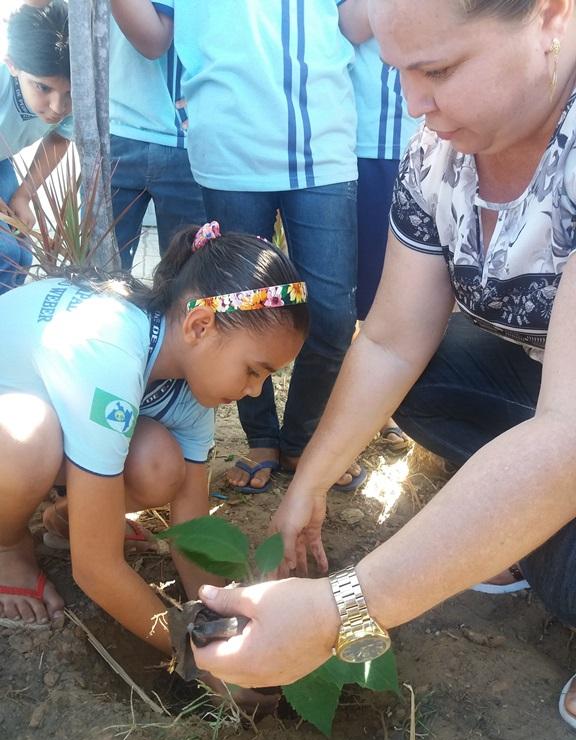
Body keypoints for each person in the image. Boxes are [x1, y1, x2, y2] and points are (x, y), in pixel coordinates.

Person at [190, 0, 576, 731]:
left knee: (568, 578)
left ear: (551, 15)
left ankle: (539, 541)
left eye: (439, 70)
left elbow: (569, 436)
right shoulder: (440, 153)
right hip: (545, 380)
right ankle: (518, 520)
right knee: (422, 376)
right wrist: (310, 482)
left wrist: (340, 610)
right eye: (399, 71)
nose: (413, 104)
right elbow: (393, 340)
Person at [0, 221, 308, 688]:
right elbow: (95, 569)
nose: (254, 391)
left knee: (161, 464)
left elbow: (190, 521)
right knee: (30, 437)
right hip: (16, 434)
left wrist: (219, 615)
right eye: (253, 371)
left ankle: (70, 519)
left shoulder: (189, 374)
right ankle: (6, 546)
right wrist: (196, 657)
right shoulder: (110, 351)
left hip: (40, 417)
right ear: (200, 325)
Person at [110, 0, 364, 494]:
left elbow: (352, 23)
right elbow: (154, 37)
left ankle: (303, 437)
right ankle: (262, 438)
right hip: (228, 146)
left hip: (324, 139)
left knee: (333, 315)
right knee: (234, 311)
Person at [341, 22, 419, 451]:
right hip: (356, 142)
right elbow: (349, 25)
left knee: (408, 287)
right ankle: (353, 405)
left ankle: (390, 404)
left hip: (425, 139)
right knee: (356, 290)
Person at [108, 13, 206, 271]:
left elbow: (154, 43)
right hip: (116, 127)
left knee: (189, 277)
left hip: (184, 140)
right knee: (98, 276)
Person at [0, 0, 73, 293]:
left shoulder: (77, 94)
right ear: (12, 65)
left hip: (2, 159)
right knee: (4, 253)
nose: (58, 107)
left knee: (21, 255)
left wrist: (23, 195)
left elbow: (60, 137)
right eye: (43, 87)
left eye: (68, 93)